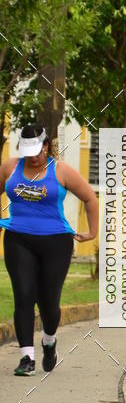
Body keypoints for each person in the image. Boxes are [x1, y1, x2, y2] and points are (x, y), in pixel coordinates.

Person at [0, 125, 98, 376]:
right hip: (18, 239)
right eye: (27, 150)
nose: (32, 156)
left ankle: (49, 340)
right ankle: (26, 358)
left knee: (49, 303)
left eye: (37, 150)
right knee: (23, 295)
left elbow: (90, 198)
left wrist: (92, 232)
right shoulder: (10, 168)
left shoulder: (61, 170)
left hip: (56, 242)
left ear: (46, 147)